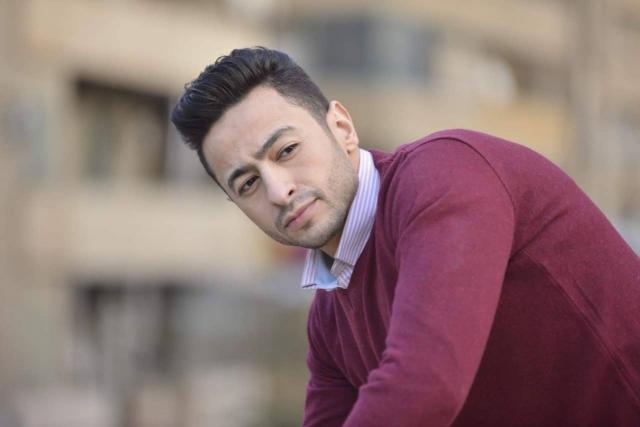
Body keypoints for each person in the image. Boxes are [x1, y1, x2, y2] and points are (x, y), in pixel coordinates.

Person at [170, 47, 640, 426]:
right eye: (247, 183)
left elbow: (425, 386)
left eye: (287, 150)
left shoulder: (445, 176)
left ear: (342, 128)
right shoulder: (331, 322)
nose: (278, 191)